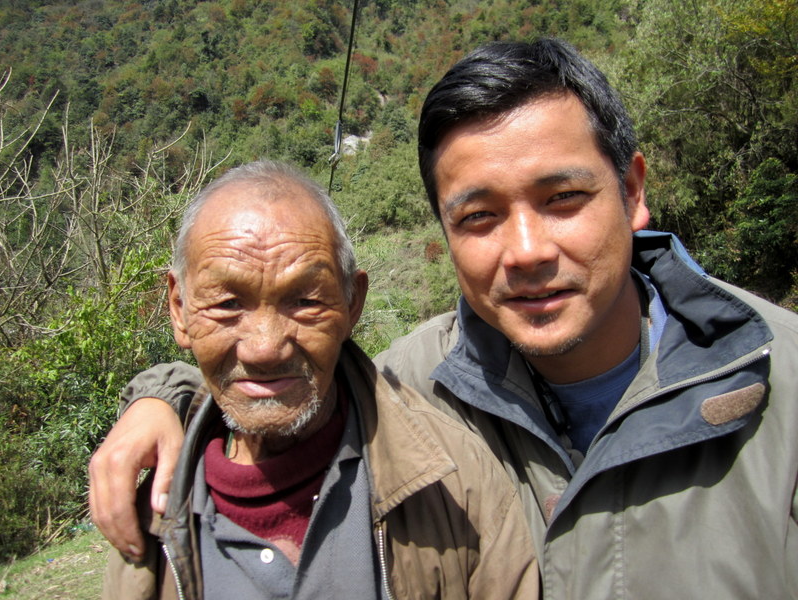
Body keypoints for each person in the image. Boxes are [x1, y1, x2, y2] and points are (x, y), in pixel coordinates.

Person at [91, 39, 798, 597]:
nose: (524, 252)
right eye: (480, 216)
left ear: (632, 189)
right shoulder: (415, 387)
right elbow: (276, 370)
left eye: (562, 199)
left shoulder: (779, 382)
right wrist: (165, 396)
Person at [97, 159, 538, 599]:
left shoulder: (460, 485)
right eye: (229, 303)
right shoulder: (148, 515)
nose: (265, 347)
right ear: (179, 308)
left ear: (352, 304)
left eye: (305, 301)